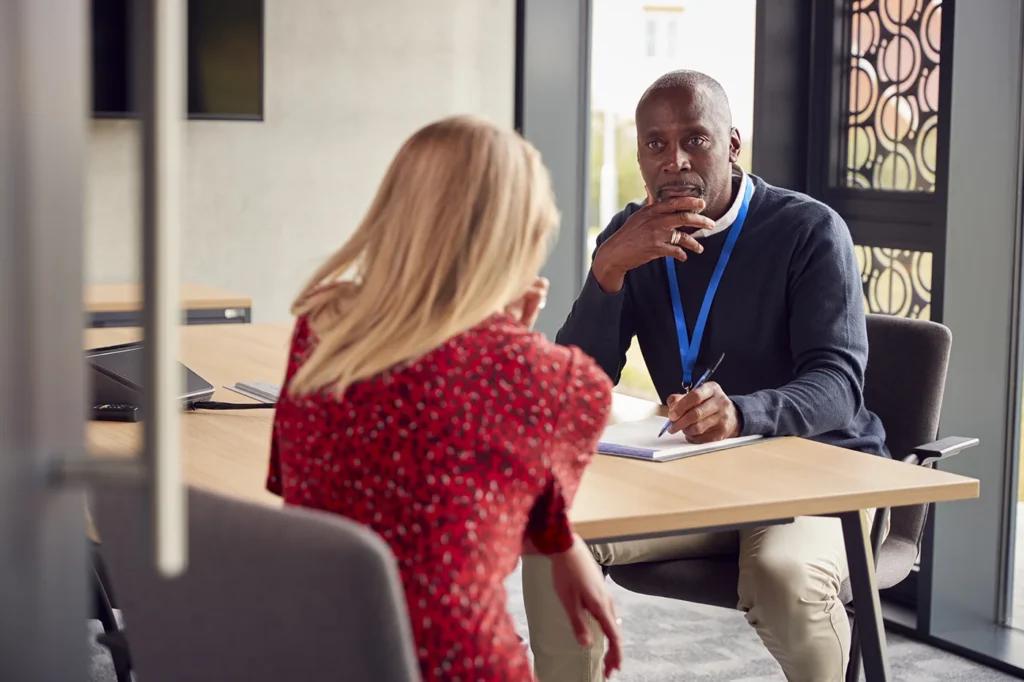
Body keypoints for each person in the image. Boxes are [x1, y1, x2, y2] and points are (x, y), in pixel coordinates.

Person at [522, 71, 889, 682]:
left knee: (780, 576)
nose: (676, 161)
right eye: (655, 144)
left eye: (696, 139)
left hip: (813, 476)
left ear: (733, 145)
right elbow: (577, 385)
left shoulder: (809, 231)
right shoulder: (631, 235)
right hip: (695, 478)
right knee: (553, 538)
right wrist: (607, 270)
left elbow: (839, 383)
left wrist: (745, 412)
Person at [266, 116, 623, 682]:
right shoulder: (564, 383)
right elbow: (519, 527)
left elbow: (300, 487)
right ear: (523, 237)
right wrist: (517, 342)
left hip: (313, 654)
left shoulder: (323, 326)